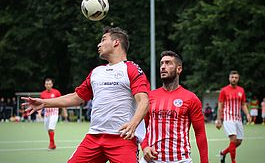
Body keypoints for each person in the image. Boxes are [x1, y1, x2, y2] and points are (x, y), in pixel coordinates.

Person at [22, 26, 149, 163]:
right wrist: (44, 103)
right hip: (93, 138)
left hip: (122, 139)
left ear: (116, 42)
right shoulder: (96, 72)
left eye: (103, 39)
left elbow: (144, 101)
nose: (98, 44)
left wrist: (133, 123)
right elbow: (76, 97)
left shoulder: (131, 68)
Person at [140, 50, 208, 163]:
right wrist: (145, 146)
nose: (163, 67)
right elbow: (143, 127)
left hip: (180, 160)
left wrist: (205, 161)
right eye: (161, 63)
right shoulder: (150, 96)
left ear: (179, 69)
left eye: (168, 63)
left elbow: (200, 133)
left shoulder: (191, 98)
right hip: (152, 160)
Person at [215, 70, 251, 163]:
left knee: (238, 141)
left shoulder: (241, 90)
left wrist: (247, 114)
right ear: (229, 78)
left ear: (238, 79)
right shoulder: (224, 90)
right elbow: (220, 105)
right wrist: (219, 119)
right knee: (233, 139)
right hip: (228, 118)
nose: (234, 79)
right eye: (232, 77)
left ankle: (223, 153)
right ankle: (233, 161)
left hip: (238, 119)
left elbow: (243, 104)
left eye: (236, 78)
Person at [40, 78, 62, 149]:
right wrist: (39, 112)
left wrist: (64, 111)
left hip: (54, 113)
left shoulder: (56, 92)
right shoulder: (42, 94)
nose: (48, 85)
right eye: (47, 84)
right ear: (44, 85)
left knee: (50, 128)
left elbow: (62, 101)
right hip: (47, 113)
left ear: (52, 84)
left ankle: (51, 144)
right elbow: (40, 104)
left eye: (49, 84)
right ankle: (53, 144)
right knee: (48, 129)